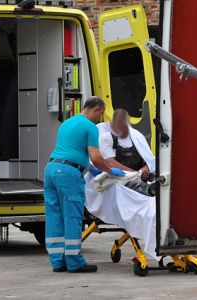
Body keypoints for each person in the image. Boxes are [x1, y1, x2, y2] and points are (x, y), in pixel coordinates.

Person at [44, 96, 125, 273]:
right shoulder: (90, 127)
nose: (101, 118)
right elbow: (96, 156)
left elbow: (70, 151)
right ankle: (74, 262)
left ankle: (58, 261)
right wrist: (109, 170)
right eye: (101, 114)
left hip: (51, 169)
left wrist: (90, 168)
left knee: (54, 216)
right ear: (96, 110)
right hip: (68, 175)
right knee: (72, 216)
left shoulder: (67, 123)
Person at [98, 109, 156, 196]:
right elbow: (110, 162)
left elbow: (149, 159)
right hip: (119, 176)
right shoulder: (107, 137)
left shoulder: (137, 136)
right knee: (134, 183)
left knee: (159, 181)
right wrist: (134, 174)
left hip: (140, 175)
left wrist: (145, 169)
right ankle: (149, 189)